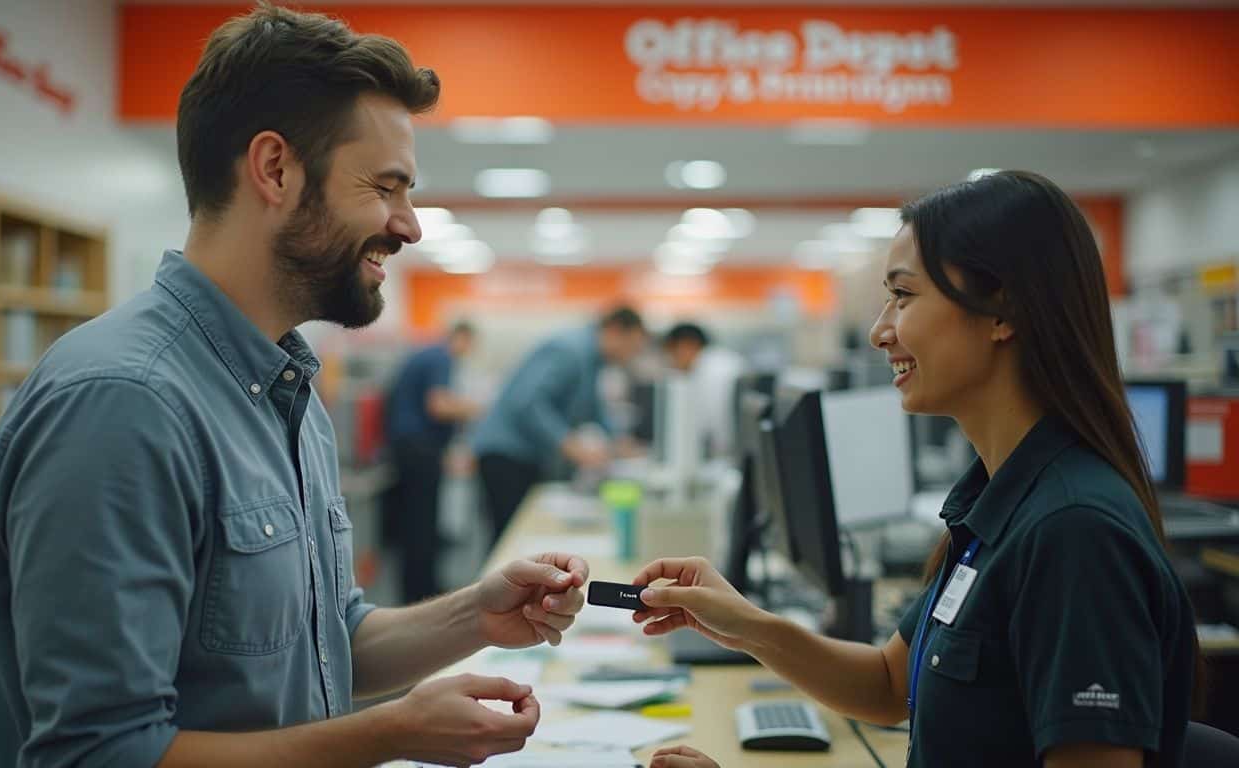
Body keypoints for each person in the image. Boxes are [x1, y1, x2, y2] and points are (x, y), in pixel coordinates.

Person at [0, 5, 591, 767]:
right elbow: (99, 755)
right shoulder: (124, 403)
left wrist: (474, 615)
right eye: (387, 188)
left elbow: (327, 646)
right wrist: (389, 734)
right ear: (276, 170)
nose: (410, 226)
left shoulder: (282, 391)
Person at [630, 172, 1202, 768]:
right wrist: (744, 625)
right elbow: (886, 685)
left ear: (1002, 309)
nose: (881, 331)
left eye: (903, 297)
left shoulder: (1074, 532)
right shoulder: (998, 499)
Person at [471, 307, 649, 544]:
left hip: (523, 455)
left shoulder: (591, 359)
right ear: (615, 330)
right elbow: (528, 403)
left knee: (522, 535)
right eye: (632, 346)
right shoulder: (569, 350)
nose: (631, 356)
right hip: (505, 452)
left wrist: (618, 440)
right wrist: (569, 444)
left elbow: (591, 406)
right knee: (509, 538)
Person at [385, 321, 481, 603]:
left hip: (410, 449)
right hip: (419, 450)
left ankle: (418, 589)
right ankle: (423, 594)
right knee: (422, 525)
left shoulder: (424, 354)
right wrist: (479, 408)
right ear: (461, 338)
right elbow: (438, 406)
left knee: (415, 523)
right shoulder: (442, 356)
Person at [661, 322, 746, 457]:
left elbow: (718, 426)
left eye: (672, 354)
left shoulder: (714, 369)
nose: (672, 363)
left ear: (686, 345)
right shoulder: (715, 361)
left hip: (731, 452)